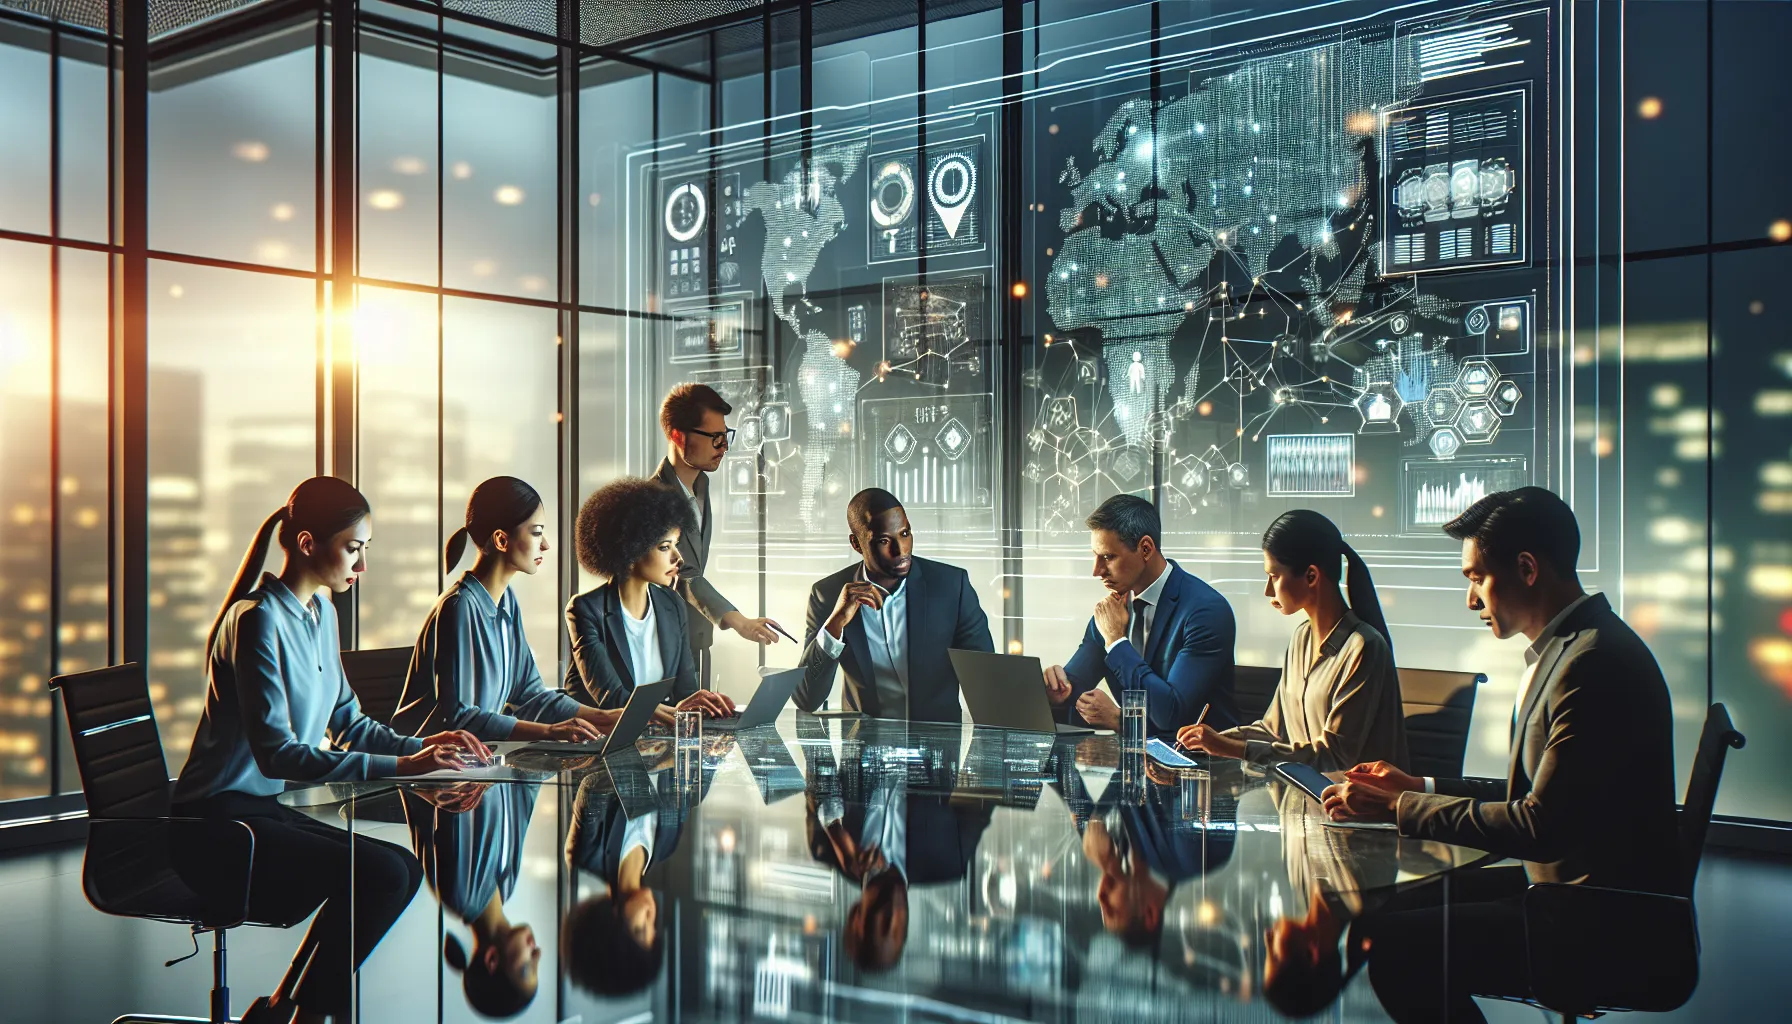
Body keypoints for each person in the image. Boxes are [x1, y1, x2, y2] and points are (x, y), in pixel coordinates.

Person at [1320, 487, 1682, 1022]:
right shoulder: (1574, 647)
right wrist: (1415, 788)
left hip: (1595, 916)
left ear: (1528, 568)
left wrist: (1396, 808)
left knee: (1398, 946)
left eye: (1476, 578)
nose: (1471, 600)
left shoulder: (1592, 664)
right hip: (1568, 886)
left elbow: (1539, 824)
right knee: (1393, 908)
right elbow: (1537, 798)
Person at [171, 476, 488, 1024]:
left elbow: (348, 722)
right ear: (308, 543)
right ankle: (304, 1015)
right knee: (382, 874)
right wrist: (404, 766)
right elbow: (278, 756)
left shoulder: (321, 615)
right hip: (215, 825)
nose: (361, 566)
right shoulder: (257, 621)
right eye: (354, 549)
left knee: (401, 870)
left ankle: (285, 1009)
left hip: (257, 812)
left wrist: (421, 750)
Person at [1177, 509, 1409, 772]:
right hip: (1301, 801)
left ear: (1311, 576)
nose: (1267, 590)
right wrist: (1210, 740)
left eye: (1274, 576)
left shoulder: (1364, 647)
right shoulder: (1301, 637)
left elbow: (1335, 754)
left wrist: (1229, 747)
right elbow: (1273, 730)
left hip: (1352, 807)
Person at [393, 476, 615, 742]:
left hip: (473, 762)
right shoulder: (459, 606)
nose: (545, 544)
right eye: (536, 532)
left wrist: (606, 717)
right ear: (501, 539)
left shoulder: (507, 601)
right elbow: (459, 718)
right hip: (427, 768)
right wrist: (549, 731)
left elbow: (529, 696)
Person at [1043, 494, 1239, 737]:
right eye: (1095, 556)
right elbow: (1074, 693)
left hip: (1205, 766)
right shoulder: (1112, 608)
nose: (1097, 571)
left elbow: (1173, 714)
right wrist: (1057, 695)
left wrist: (1116, 642)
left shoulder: (1206, 611)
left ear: (1145, 548)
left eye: (1108, 557)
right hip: (1134, 763)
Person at [794, 487, 995, 721]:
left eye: (905, 533)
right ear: (856, 544)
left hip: (936, 747)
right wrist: (835, 624)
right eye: (883, 540)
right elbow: (806, 698)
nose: (901, 550)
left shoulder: (951, 587)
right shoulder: (827, 595)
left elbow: (987, 684)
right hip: (862, 748)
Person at [564, 478, 736, 720]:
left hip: (653, 742)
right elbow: (611, 698)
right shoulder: (585, 610)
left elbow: (685, 692)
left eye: (675, 545)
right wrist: (676, 713)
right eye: (665, 547)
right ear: (632, 548)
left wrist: (704, 703)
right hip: (593, 743)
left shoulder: (672, 604)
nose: (678, 557)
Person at [653, 383, 786, 685]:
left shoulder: (702, 486)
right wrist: (738, 621)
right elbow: (681, 573)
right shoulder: (653, 499)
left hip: (699, 638)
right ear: (678, 435)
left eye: (725, 436)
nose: (724, 447)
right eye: (714, 438)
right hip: (663, 646)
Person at [403, 782, 544, 1020]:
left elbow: (458, 784)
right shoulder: (506, 887)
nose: (537, 953)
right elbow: (526, 790)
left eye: (525, 968)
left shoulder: (458, 894)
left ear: (492, 960)